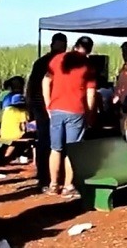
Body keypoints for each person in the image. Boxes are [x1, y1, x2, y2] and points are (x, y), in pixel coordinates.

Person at [42, 36, 96, 199]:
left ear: (75, 45)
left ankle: (53, 185)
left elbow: (46, 81)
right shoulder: (88, 66)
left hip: (56, 108)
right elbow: (90, 94)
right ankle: (68, 186)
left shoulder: (58, 59)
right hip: (76, 111)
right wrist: (89, 113)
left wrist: (48, 104)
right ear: (89, 49)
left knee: (56, 148)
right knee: (73, 150)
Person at [26, 32, 67, 191]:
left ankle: (49, 176)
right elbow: (32, 85)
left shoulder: (47, 62)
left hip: (49, 106)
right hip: (45, 107)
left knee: (50, 141)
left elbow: (30, 86)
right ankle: (45, 176)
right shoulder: (49, 63)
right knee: (47, 141)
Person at [0, 94, 30, 161]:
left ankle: (4, 156)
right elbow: (24, 127)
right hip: (15, 136)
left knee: (11, 141)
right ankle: (9, 157)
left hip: (4, 134)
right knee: (27, 139)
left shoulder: (7, 110)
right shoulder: (22, 111)